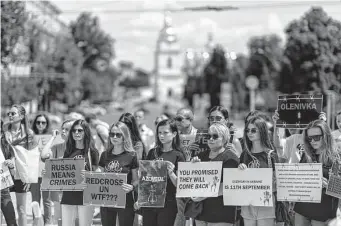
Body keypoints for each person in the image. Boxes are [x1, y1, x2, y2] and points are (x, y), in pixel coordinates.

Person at [191, 123, 240, 226]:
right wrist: (193, 167)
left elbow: (228, 187)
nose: (211, 139)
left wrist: (202, 196)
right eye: (208, 136)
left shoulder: (231, 158)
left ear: (224, 138)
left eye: (215, 136)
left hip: (221, 215)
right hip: (200, 213)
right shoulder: (200, 156)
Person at [294, 120, 339, 226]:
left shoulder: (336, 158)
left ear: (326, 136)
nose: (313, 141)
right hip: (301, 210)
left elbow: (338, 190)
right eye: (309, 138)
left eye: (317, 137)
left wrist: (326, 184)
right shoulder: (306, 156)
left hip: (322, 214)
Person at [140, 119, 186, 226]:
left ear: (174, 134)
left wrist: (171, 173)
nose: (162, 136)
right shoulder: (152, 152)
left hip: (168, 202)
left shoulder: (178, 155)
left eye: (165, 133)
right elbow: (145, 179)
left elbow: (181, 185)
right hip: (150, 201)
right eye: (159, 133)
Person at [238, 117, 278, 226]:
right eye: (247, 130)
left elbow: (277, 184)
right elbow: (239, 182)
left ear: (262, 131)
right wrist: (240, 171)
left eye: (253, 130)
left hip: (266, 203)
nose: (249, 133)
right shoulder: (244, 154)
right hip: (248, 203)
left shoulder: (271, 155)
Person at [60, 119, 99, 226]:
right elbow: (63, 172)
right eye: (74, 131)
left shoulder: (93, 151)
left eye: (80, 130)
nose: (76, 133)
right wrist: (50, 172)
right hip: (68, 194)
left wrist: (86, 175)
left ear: (85, 132)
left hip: (86, 195)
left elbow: (97, 175)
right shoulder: (68, 150)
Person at [98, 121, 138, 226]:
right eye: (112, 134)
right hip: (106, 200)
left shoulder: (132, 155)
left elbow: (136, 179)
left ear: (124, 136)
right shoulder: (104, 155)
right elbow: (100, 177)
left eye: (118, 134)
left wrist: (132, 187)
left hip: (125, 200)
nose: (114, 137)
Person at [5, 104, 38, 226]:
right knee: (4, 207)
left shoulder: (29, 134)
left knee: (21, 209)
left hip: (20, 174)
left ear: (22, 116)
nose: (10, 115)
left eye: (13, 113)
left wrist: (28, 177)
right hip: (4, 172)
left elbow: (33, 156)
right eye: (9, 113)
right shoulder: (4, 131)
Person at [41, 119, 75, 225]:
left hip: (76, 194)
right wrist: (52, 138)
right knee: (61, 221)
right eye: (62, 129)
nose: (63, 131)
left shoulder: (81, 149)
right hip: (59, 195)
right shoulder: (57, 147)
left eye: (67, 129)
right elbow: (43, 156)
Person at [31, 113, 53, 225]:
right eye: (38, 122)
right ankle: (36, 222)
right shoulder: (29, 137)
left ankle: (48, 223)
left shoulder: (52, 138)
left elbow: (55, 156)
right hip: (33, 173)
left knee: (47, 201)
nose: (40, 124)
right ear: (35, 123)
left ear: (47, 124)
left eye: (43, 122)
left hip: (46, 174)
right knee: (35, 201)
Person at [0, 120, 17, 226]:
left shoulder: (5, 145)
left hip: (4, 188)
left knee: (11, 221)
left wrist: (11, 164)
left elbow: (13, 171)